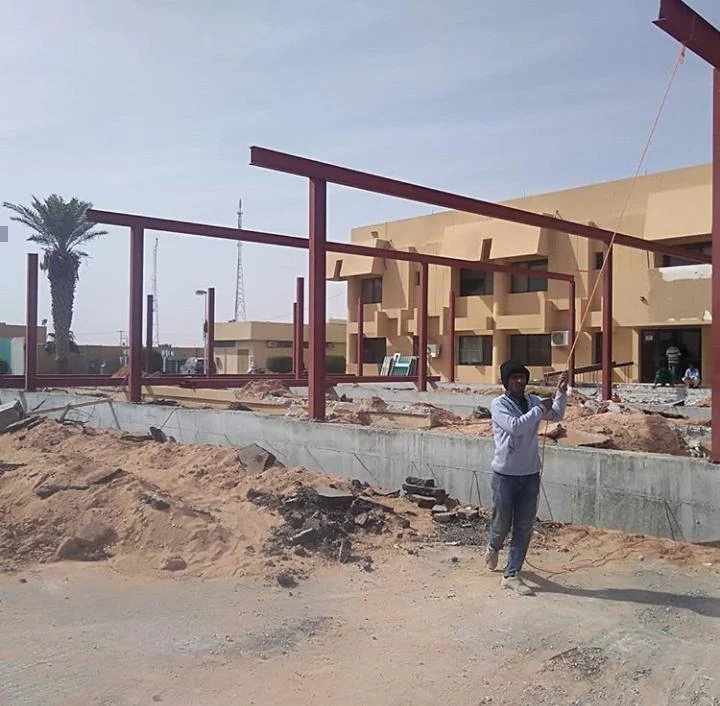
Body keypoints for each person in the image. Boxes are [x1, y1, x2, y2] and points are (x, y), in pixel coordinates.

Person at [485, 361, 568, 596]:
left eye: (522, 377)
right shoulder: (499, 404)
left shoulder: (532, 401)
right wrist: (539, 410)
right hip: (505, 475)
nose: (519, 381)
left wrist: (561, 394)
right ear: (506, 381)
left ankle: (512, 574)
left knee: (523, 526)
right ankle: (494, 545)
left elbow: (556, 414)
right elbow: (515, 427)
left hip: (530, 474)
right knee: (502, 521)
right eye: (514, 378)